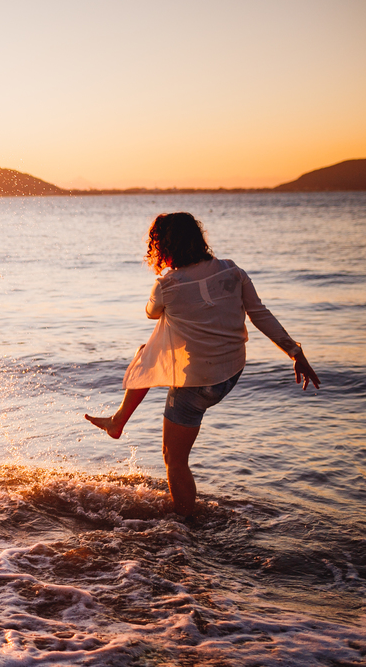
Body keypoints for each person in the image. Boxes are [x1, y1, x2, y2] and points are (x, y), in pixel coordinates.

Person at [85, 212, 320, 519]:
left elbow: (151, 313)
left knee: (174, 459)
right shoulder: (232, 272)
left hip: (195, 386)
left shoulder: (166, 285)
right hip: (230, 373)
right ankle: (118, 421)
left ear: (162, 246)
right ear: (198, 239)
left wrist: (165, 289)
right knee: (149, 351)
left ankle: (184, 526)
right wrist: (295, 352)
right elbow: (260, 314)